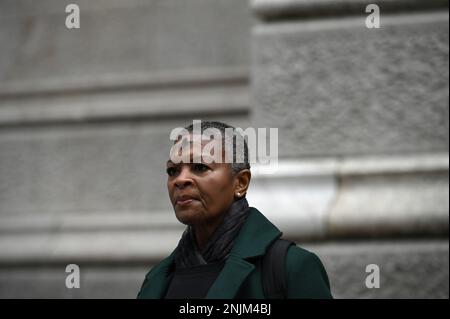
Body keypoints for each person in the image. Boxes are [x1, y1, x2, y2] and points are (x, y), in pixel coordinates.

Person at [137, 121, 332, 299]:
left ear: (240, 182)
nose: (180, 180)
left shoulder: (291, 268)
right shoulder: (156, 280)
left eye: (199, 167)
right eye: (173, 171)